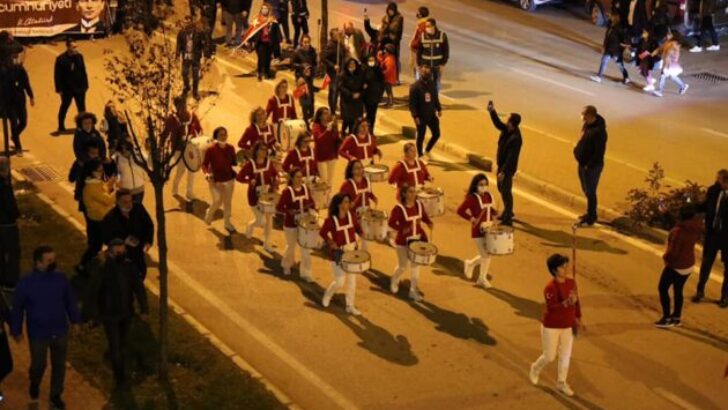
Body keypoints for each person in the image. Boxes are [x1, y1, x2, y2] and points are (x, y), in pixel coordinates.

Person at [11, 246, 81, 409]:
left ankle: (55, 395)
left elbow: (70, 301)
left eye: (54, 259)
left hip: (60, 330)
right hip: (38, 333)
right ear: (39, 263)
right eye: (49, 260)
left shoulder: (61, 279)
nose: (53, 263)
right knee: (38, 365)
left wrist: (75, 321)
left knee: (59, 365)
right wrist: (16, 330)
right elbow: (18, 308)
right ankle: (34, 382)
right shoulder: (26, 283)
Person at [97, 239, 149, 388]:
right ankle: (120, 379)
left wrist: (144, 309)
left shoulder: (128, 267)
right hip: (110, 315)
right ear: (111, 251)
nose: (121, 253)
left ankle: (119, 366)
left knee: (122, 342)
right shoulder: (104, 267)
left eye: (123, 251)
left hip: (126, 313)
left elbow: (139, 289)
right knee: (116, 345)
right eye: (118, 251)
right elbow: (95, 289)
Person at [529, 254, 582, 397]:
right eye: (562, 266)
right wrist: (567, 303)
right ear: (554, 270)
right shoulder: (550, 287)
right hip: (551, 326)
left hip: (567, 325)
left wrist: (578, 318)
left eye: (566, 265)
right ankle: (535, 367)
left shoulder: (572, 283)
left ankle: (561, 382)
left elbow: (577, 302)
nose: (566, 268)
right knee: (550, 356)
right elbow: (552, 308)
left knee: (565, 355)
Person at [655, 205, 702, 328]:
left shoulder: (678, 232)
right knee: (678, 290)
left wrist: (665, 258)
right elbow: (678, 224)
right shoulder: (695, 225)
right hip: (688, 264)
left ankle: (666, 318)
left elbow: (673, 253)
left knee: (663, 288)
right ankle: (676, 317)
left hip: (676, 265)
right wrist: (667, 214)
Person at [320, 193, 363, 315]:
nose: (348, 204)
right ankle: (328, 294)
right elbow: (322, 233)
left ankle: (350, 305)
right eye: (346, 202)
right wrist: (330, 241)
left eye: (348, 202)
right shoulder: (331, 221)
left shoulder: (352, 216)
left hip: (351, 252)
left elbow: (358, 228)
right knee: (339, 281)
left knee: (352, 281)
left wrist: (362, 233)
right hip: (338, 254)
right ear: (339, 204)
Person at [389, 184, 433, 301]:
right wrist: (402, 229)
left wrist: (429, 222)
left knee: (415, 267)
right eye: (410, 192)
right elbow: (391, 223)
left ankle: (413, 291)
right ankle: (394, 279)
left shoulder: (418, 205)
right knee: (403, 266)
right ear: (404, 194)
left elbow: (423, 216)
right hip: (402, 242)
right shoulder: (398, 208)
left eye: (414, 191)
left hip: (417, 240)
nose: (413, 194)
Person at [693, 169, 728, 307]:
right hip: (712, 235)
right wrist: (696, 204)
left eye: (718, 179)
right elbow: (703, 207)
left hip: (727, 238)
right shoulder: (713, 190)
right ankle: (700, 291)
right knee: (706, 263)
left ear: (725, 181)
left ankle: (725, 297)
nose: (716, 180)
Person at [102, 189, 154, 281]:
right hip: (122, 256)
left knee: (140, 274)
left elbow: (148, 225)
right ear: (117, 202)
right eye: (125, 202)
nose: (129, 205)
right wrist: (123, 242)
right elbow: (106, 238)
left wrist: (148, 241)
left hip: (138, 252)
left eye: (130, 201)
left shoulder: (138, 209)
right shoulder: (110, 218)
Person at [457, 174, 498, 288]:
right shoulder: (472, 198)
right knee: (486, 255)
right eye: (481, 185)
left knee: (487, 254)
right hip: (477, 231)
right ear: (475, 185)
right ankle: (482, 278)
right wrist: (471, 218)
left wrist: (496, 215)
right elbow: (460, 210)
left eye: (485, 184)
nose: (483, 187)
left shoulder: (489, 196)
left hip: (489, 230)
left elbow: (492, 210)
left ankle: (470, 264)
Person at [237, 142, 279, 251]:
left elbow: (274, 174)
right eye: (261, 149)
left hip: (268, 196)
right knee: (261, 221)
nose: (264, 152)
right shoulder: (250, 164)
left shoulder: (269, 163)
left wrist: (276, 179)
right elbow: (239, 177)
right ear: (256, 151)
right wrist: (249, 181)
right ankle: (251, 225)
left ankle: (267, 243)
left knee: (269, 220)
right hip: (254, 197)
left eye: (265, 150)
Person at [486, 101, 521, 227]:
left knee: (506, 191)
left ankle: (508, 217)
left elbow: (511, 158)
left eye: (508, 120)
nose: (505, 121)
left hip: (507, 168)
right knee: (501, 189)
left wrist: (504, 172)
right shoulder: (507, 129)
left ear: (512, 123)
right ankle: (507, 211)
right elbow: (498, 124)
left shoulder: (516, 139)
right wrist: (492, 111)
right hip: (502, 166)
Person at [277, 168, 316, 280]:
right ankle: (286, 265)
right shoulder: (287, 192)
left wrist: (313, 209)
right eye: (297, 177)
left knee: (306, 249)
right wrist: (288, 211)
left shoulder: (305, 189)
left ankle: (306, 273)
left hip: (304, 225)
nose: (300, 179)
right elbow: (279, 207)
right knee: (291, 246)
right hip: (290, 225)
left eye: (301, 177)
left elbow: (311, 202)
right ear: (292, 179)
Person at [79, 160, 117, 270]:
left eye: (102, 170)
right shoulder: (91, 187)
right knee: (100, 244)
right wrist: (117, 191)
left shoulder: (94, 183)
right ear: (91, 171)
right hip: (99, 219)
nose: (101, 172)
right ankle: (85, 265)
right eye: (98, 170)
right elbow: (107, 200)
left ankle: (86, 264)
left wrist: (110, 183)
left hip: (99, 217)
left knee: (97, 245)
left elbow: (103, 191)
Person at [573, 105, 607, 227]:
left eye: (584, 115)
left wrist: (589, 164)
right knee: (586, 189)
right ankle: (589, 213)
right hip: (583, 163)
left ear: (591, 116)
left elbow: (599, 152)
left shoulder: (599, 132)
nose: (582, 118)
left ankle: (591, 217)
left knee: (590, 191)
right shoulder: (588, 125)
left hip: (591, 167)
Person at [168, 97, 203, 200]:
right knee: (181, 169)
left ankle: (189, 192)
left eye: (185, 105)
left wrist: (198, 139)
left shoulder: (192, 116)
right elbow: (167, 133)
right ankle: (175, 188)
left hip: (190, 147)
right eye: (181, 106)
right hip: (177, 149)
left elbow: (199, 129)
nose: (184, 108)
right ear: (176, 107)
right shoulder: (172, 119)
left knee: (192, 169)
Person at [203, 127, 237, 232]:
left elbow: (234, 162)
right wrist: (207, 174)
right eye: (221, 135)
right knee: (217, 201)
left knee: (227, 202)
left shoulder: (231, 148)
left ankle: (227, 223)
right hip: (215, 180)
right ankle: (209, 213)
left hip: (229, 179)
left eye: (225, 134)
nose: (223, 136)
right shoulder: (211, 149)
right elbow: (204, 164)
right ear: (216, 136)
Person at [54, 39, 88, 134]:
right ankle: (61, 125)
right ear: (68, 47)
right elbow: (57, 75)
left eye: (76, 46)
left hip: (79, 88)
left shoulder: (80, 57)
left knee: (81, 108)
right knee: (64, 106)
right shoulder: (61, 59)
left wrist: (86, 85)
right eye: (74, 47)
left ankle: (82, 126)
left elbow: (83, 71)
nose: (76, 49)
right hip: (67, 89)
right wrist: (59, 89)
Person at [409, 65, 441, 160]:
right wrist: (415, 117)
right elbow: (412, 104)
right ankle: (420, 155)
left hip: (431, 114)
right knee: (421, 136)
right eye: (424, 70)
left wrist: (439, 109)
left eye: (428, 71)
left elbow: (435, 97)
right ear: (421, 72)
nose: (426, 72)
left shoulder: (432, 84)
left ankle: (427, 151)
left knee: (436, 134)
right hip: (421, 116)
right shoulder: (415, 87)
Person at [590, 15, 630, 84]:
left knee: (620, 65)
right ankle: (599, 77)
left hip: (616, 50)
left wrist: (624, 45)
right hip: (608, 49)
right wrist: (604, 46)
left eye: (613, 17)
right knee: (604, 61)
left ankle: (626, 77)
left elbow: (624, 39)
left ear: (616, 19)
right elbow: (607, 38)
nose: (611, 18)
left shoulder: (619, 28)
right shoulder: (610, 27)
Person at [5, 58, 33, 157]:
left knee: (24, 122)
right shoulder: (5, 71)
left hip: (21, 101)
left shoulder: (21, 70)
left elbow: (26, 83)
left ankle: (14, 137)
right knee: (13, 124)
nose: (15, 61)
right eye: (13, 59)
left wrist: (31, 96)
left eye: (16, 59)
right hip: (9, 103)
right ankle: (18, 147)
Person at [177, 16, 209, 99]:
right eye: (184, 23)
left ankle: (195, 92)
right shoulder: (181, 33)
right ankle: (186, 86)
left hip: (195, 57)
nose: (185, 25)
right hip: (186, 56)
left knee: (195, 75)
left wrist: (205, 55)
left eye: (187, 23)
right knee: (184, 73)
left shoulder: (199, 33)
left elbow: (204, 44)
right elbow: (179, 45)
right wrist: (177, 55)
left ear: (191, 23)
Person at [249, 3, 282, 81]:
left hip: (269, 43)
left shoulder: (273, 21)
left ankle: (267, 72)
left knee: (267, 58)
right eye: (263, 8)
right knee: (261, 58)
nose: (264, 10)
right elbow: (252, 31)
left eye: (266, 9)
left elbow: (277, 32)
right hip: (260, 43)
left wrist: (279, 40)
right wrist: (250, 40)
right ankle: (260, 73)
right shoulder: (257, 20)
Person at [0, 157, 20, 289]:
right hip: (7, 223)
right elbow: (9, 204)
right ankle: (11, 281)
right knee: (13, 252)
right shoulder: (4, 185)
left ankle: (1, 278)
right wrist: (16, 216)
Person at [416, 18, 449, 91]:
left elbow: (446, 51)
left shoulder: (442, 35)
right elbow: (419, 52)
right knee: (425, 85)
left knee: (436, 84)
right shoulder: (422, 36)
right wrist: (419, 65)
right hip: (426, 66)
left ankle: (435, 100)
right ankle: (425, 101)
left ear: (434, 26)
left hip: (437, 66)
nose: (427, 28)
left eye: (429, 26)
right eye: (426, 26)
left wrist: (443, 64)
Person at [312, 107, 341, 187]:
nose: (327, 115)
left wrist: (335, 129)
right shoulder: (316, 126)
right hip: (321, 156)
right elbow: (319, 140)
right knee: (324, 179)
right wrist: (328, 130)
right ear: (320, 116)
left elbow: (336, 139)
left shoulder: (332, 125)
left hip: (332, 156)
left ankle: (328, 198)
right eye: (325, 113)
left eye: (328, 113)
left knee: (330, 180)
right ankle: (315, 183)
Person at [377, 2, 404, 81]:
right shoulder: (385, 18)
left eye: (392, 10)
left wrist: (387, 24)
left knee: (395, 60)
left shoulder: (399, 18)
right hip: (385, 41)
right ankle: (385, 77)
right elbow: (383, 30)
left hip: (394, 42)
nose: (390, 12)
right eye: (389, 10)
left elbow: (394, 29)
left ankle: (396, 79)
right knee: (384, 59)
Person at [322, 28, 346, 115]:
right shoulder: (330, 45)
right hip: (333, 73)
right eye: (336, 35)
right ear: (332, 36)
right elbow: (324, 58)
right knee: (333, 92)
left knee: (338, 91)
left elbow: (343, 53)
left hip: (340, 72)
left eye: (338, 35)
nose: (337, 36)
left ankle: (336, 107)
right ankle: (332, 111)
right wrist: (333, 66)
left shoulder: (339, 43)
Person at [339, 58, 365, 136]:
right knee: (347, 119)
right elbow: (341, 87)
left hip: (357, 100)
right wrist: (350, 94)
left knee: (355, 119)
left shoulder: (360, 74)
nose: (352, 65)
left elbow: (363, 86)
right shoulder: (343, 74)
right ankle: (343, 131)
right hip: (347, 100)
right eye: (350, 64)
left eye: (354, 64)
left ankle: (351, 134)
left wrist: (359, 93)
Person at [362, 54, 386, 133]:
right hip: (365, 97)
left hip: (375, 97)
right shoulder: (364, 70)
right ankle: (365, 130)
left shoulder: (378, 71)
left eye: (373, 60)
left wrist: (380, 95)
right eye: (370, 60)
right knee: (366, 115)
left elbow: (382, 84)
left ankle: (370, 131)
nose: (371, 62)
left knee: (372, 115)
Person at [408, 6, 430, 78]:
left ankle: (418, 81)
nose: (416, 14)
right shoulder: (425, 23)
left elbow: (419, 38)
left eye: (418, 12)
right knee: (417, 66)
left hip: (417, 49)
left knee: (416, 66)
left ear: (421, 14)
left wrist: (413, 44)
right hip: (419, 48)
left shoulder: (422, 25)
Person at [377, 44, 397, 108]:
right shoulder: (388, 57)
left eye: (385, 49)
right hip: (388, 77)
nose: (384, 51)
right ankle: (389, 102)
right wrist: (379, 55)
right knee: (387, 90)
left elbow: (388, 70)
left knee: (389, 91)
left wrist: (382, 74)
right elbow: (382, 61)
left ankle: (390, 103)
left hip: (388, 78)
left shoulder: (390, 59)